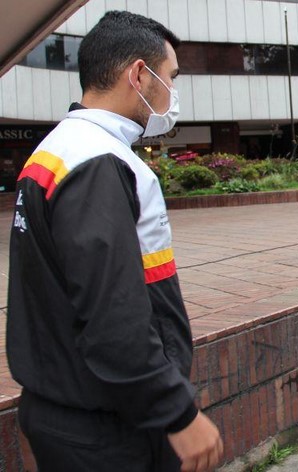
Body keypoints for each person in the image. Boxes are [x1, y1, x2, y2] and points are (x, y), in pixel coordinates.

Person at [7, 11, 223, 472]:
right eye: (170, 77)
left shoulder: (58, 150)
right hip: (106, 431)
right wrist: (177, 412)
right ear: (139, 75)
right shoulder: (100, 162)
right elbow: (114, 311)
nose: (173, 93)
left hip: (66, 410)